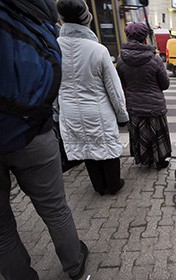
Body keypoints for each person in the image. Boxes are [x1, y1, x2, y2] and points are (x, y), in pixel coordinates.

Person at [0, 0, 88, 279]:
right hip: (33, 133)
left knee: (1, 229)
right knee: (55, 208)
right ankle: (74, 264)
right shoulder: (33, 17)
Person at [56, 0, 129, 196]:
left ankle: (99, 187)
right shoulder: (98, 50)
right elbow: (114, 88)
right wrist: (122, 115)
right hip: (98, 111)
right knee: (106, 146)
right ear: (86, 19)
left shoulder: (54, 48)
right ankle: (113, 185)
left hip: (69, 111)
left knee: (85, 147)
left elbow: (51, 85)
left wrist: (57, 113)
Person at [117, 22, 172, 170]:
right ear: (145, 38)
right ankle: (159, 161)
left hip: (134, 105)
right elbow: (165, 84)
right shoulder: (155, 59)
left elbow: (121, 84)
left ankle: (144, 159)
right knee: (156, 134)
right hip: (154, 105)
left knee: (140, 133)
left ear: (128, 37)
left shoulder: (121, 59)